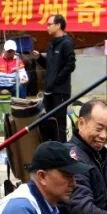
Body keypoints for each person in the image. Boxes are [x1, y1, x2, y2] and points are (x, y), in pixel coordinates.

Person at [38, 14, 75, 142]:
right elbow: (49, 66)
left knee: (59, 123)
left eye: (49, 24)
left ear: (58, 25)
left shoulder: (67, 43)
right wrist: (39, 58)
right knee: (48, 121)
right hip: (49, 90)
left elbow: (70, 65)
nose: (47, 27)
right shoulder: (51, 44)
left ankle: (61, 148)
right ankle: (50, 147)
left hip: (60, 91)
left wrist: (57, 81)